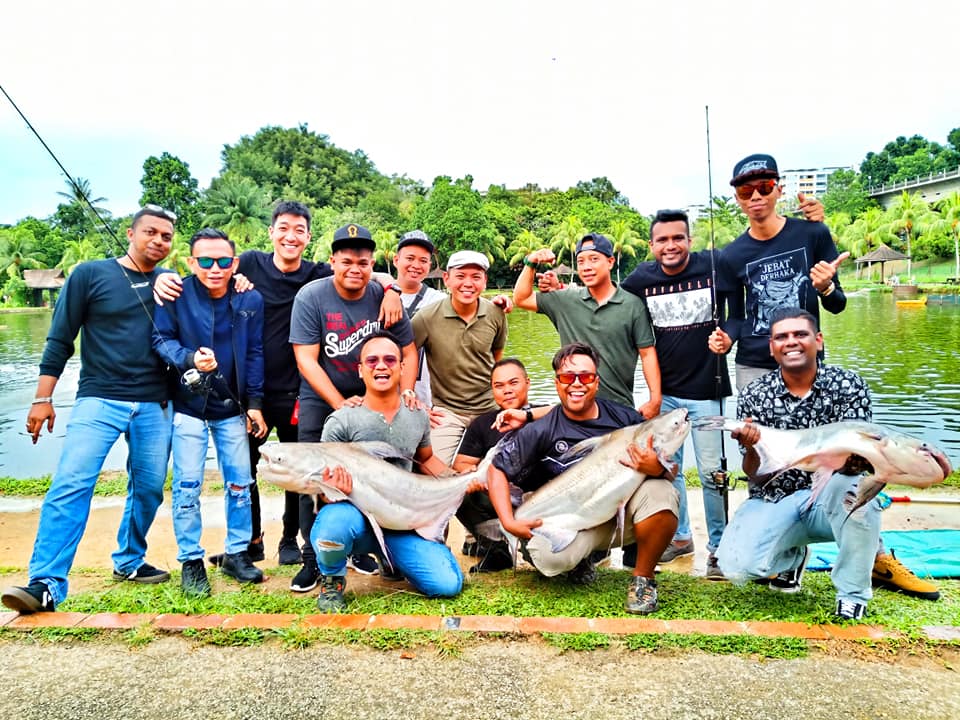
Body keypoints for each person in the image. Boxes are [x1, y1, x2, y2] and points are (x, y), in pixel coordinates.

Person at [155, 201, 403, 569]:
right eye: (283, 228)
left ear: (308, 237)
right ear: (271, 232)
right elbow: (207, 270)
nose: (291, 236)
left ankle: (291, 539)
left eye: (299, 230)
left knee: (297, 467)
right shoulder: (248, 264)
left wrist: (392, 287)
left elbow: (362, 270)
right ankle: (252, 541)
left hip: (297, 387)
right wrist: (162, 277)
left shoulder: (318, 272)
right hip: (247, 391)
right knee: (245, 467)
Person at [2, 206, 177, 614]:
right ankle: (45, 583)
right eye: (150, 232)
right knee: (71, 483)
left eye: (166, 236)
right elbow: (60, 339)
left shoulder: (171, 284)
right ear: (130, 233)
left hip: (156, 402)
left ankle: (129, 560)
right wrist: (42, 399)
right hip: (99, 398)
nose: (158, 241)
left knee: (149, 488)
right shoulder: (89, 275)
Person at [487, 342, 679, 615]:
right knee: (549, 560)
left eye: (585, 376)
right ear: (557, 383)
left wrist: (656, 468)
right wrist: (508, 521)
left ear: (596, 382)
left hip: (620, 519)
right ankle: (580, 560)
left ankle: (643, 580)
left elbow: (672, 472)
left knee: (661, 492)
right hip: (577, 522)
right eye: (568, 377)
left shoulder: (625, 419)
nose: (576, 383)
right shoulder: (541, 429)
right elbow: (496, 469)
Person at [716, 307, 882, 620]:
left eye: (800, 334)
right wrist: (751, 446)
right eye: (782, 337)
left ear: (818, 340)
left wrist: (846, 459)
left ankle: (851, 595)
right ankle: (792, 558)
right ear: (771, 347)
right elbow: (754, 473)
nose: (791, 342)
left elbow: (859, 464)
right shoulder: (754, 394)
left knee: (860, 495)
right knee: (736, 567)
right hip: (775, 497)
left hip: (830, 495)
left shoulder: (849, 385)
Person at [288, 223, 417, 592]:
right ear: (332, 262)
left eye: (362, 262)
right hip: (321, 395)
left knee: (369, 473)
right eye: (346, 261)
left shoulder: (383, 295)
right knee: (313, 476)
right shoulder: (311, 296)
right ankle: (312, 556)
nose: (354, 269)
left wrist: (406, 391)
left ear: (372, 265)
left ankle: (361, 548)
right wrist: (339, 404)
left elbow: (408, 352)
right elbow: (306, 359)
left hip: (372, 393)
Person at [152, 228, 268, 596]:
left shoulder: (250, 298)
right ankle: (191, 560)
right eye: (205, 260)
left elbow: (255, 353)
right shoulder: (175, 293)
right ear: (191, 262)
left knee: (240, 483)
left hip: (232, 406)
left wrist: (255, 405)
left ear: (235, 263)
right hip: (188, 406)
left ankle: (237, 553)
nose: (214, 268)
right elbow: (161, 339)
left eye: (222, 261)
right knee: (187, 485)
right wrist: (189, 358)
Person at [311, 332, 462, 612]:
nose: (381, 366)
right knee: (333, 524)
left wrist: (463, 479)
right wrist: (333, 490)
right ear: (360, 370)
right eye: (372, 361)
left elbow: (426, 460)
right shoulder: (341, 420)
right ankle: (332, 580)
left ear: (402, 368)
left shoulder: (417, 415)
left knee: (447, 584)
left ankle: (391, 558)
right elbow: (321, 491)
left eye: (390, 360)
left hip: (399, 521)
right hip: (356, 517)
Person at [621, 209, 732, 577]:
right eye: (663, 240)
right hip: (665, 395)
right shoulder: (641, 278)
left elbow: (742, 302)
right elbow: (610, 301)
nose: (671, 246)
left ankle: (719, 548)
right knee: (669, 471)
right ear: (652, 245)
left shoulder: (714, 265)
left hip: (708, 390)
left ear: (689, 240)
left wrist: (730, 336)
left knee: (713, 473)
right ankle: (681, 537)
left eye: (677, 238)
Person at [718, 153, 848, 390]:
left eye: (764, 187)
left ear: (779, 190)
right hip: (753, 364)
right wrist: (727, 338)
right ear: (737, 199)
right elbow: (736, 318)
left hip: (804, 358)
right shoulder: (731, 255)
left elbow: (837, 305)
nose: (756, 196)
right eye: (746, 191)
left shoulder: (813, 233)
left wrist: (825, 287)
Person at [514, 233, 661, 418]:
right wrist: (531, 262)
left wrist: (655, 399)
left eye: (594, 259)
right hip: (574, 410)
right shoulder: (565, 301)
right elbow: (521, 298)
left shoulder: (633, 305)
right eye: (581, 261)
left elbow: (647, 354)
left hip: (618, 408)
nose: (586, 267)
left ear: (610, 262)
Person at [412, 250, 508, 466]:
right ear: (447, 279)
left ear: (485, 281)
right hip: (448, 411)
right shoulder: (426, 317)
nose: (468, 283)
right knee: (431, 466)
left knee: (509, 463)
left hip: (489, 407)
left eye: (476, 277)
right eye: (461, 276)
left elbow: (497, 359)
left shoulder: (495, 313)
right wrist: (414, 401)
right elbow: (403, 357)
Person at [452, 357, 547, 570]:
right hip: (500, 497)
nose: (507, 391)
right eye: (499, 386)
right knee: (459, 493)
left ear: (528, 383)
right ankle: (496, 551)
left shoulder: (547, 416)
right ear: (492, 390)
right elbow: (461, 463)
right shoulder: (482, 423)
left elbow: (571, 410)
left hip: (542, 500)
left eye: (514, 383)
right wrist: (469, 473)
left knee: (544, 562)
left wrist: (528, 416)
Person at [392, 230, 446, 406]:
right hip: (383, 397)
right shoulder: (378, 294)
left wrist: (499, 303)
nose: (416, 265)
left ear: (429, 265)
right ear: (396, 260)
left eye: (423, 261)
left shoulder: (439, 300)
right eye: (410, 258)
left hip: (425, 399)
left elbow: (471, 307)